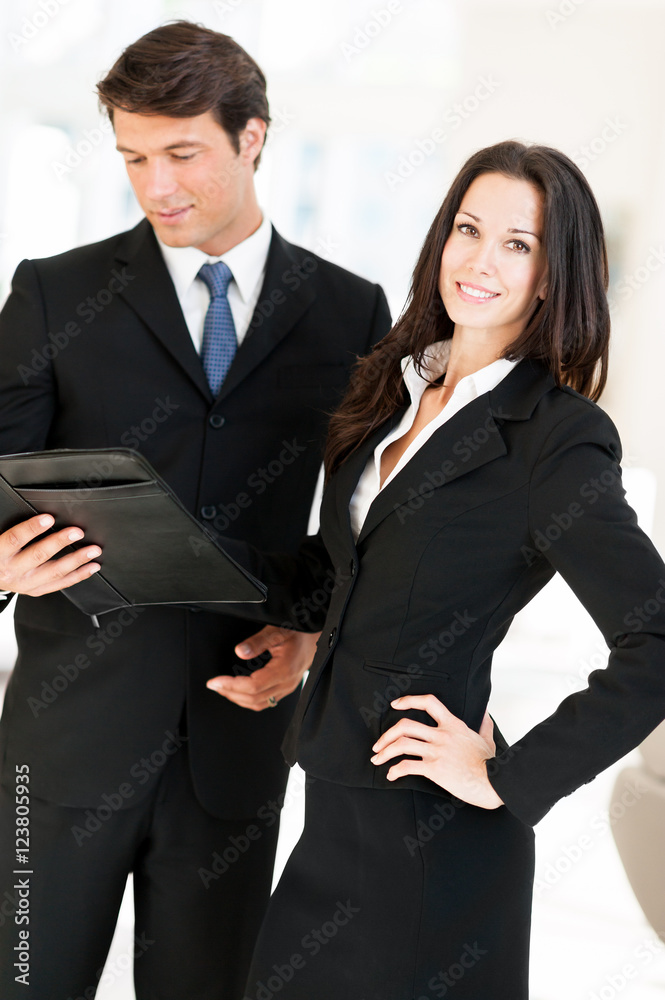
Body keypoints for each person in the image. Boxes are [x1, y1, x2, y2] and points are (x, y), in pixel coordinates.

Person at [209, 140, 665, 999]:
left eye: (517, 243)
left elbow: (657, 636)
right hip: (333, 809)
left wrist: (508, 776)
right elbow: (338, 569)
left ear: (552, 273)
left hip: (433, 845)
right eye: (467, 228)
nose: (480, 260)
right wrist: (164, 546)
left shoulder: (555, 439)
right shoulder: (392, 386)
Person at [0, 21, 390, 1000]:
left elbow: (357, 525)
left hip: (235, 741)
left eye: (182, 154)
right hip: (63, 752)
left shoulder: (348, 312)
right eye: (134, 157)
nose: (156, 185)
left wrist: (311, 633)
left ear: (251, 137)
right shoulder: (56, 294)